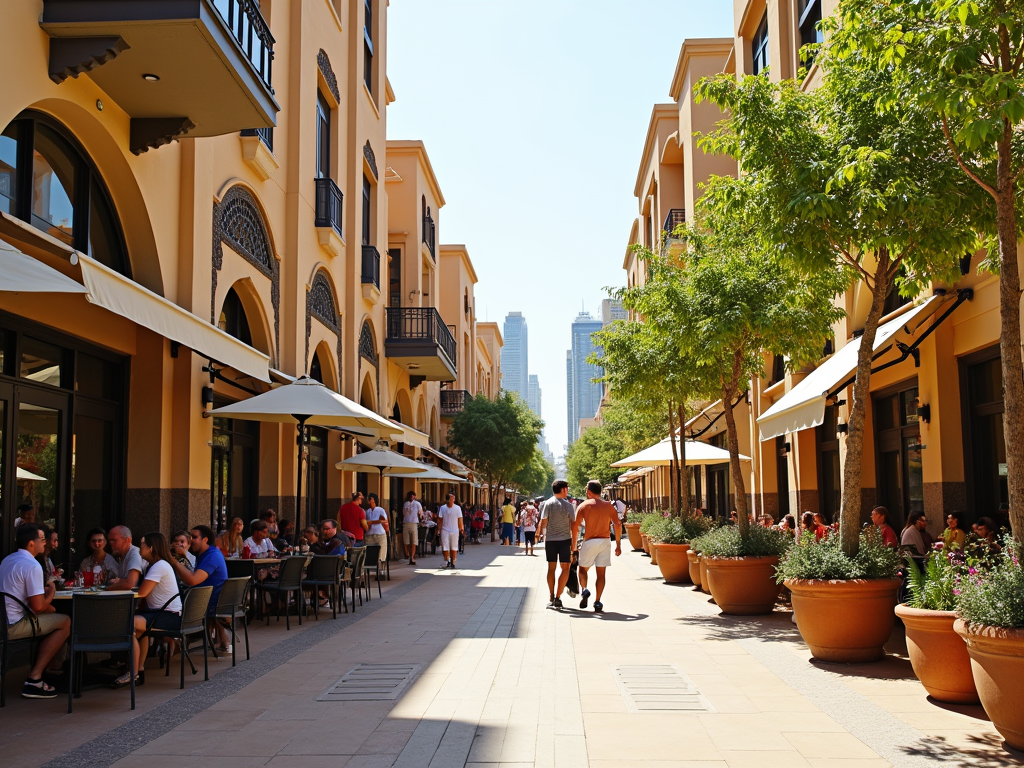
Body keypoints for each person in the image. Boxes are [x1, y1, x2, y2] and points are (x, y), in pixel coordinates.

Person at [0, 523, 70, 698]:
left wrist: (48, 605)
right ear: (31, 543)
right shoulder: (32, 565)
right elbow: (38, 607)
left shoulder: (7, 560)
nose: (45, 543)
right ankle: (35, 678)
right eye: (42, 539)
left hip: (3, 621)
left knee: (54, 615)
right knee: (66, 622)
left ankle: (48, 667)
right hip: (13, 625)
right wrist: (51, 592)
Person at [115, 532, 182, 688]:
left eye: (143, 544)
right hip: (163, 613)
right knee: (139, 630)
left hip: (168, 616)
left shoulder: (159, 566)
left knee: (128, 625)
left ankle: (133, 673)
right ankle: (138, 671)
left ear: (151, 548)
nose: (139, 548)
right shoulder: (159, 565)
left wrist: (117, 587)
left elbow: (142, 592)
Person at [168, 525, 229, 649]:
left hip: (209, 603)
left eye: (194, 537)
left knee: (167, 604)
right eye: (189, 537)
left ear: (205, 540)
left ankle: (174, 641)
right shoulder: (207, 553)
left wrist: (172, 561)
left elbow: (192, 580)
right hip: (210, 600)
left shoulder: (211, 556)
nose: (190, 540)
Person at [575, 480, 622, 613]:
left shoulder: (584, 506)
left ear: (589, 492)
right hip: (605, 541)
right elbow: (617, 524)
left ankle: (584, 590)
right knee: (601, 574)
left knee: (582, 570)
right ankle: (597, 601)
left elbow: (575, 526)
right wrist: (618, 544)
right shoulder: (608, 506)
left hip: (590, 541)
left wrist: (573, 546)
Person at [537, 479, 579, 610]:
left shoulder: (547, 504)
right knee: (565, 568)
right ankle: (558, 597)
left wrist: (540, 535)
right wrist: (574, 546)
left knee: (551, 568)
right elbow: (574, 527)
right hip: (565, 540)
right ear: (563, 489)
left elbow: (543, 522)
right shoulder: (568, 506)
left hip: (550, 541)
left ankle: (551, 595)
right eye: (567, 488)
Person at [107, 525, 144, 590]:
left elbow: (130, 583)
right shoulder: (120, 556)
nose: (111, 544)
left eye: (114, 541)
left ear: (127, 540)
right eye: (110, 541)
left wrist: (105, 589)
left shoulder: (135, 554)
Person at [437, 493, 464, 569]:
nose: (453, 500)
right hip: (445, 529)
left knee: (454, 547)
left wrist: (461, 528)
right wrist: (438, 529)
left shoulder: (457, 508)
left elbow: (460, 519)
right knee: (445, 546)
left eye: (454, 499)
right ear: (448, 500)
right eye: (452, 498)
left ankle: (453, 562)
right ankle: (447, 560)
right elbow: (440, 519)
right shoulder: (443, 508)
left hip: (455, 530)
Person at [364, 493, 389, 566]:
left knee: (381, 554)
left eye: (369, 498)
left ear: (373, 499)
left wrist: (372, 522)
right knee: (370, 553)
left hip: (379, 534)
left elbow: (384, 520)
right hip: (370, 534)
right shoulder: (368, 511)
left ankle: (381, 569)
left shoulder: (380, 510)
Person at [402, 491, 422, 564]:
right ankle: (407, 554)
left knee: (413, 541)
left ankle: (412, 557)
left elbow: (420, 513)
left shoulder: (417, 504)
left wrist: (420, 517)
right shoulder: (405, 504)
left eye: (413, 496)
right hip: (406, 523)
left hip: (414, 523)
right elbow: (404, 513)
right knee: (406, 541)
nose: (412, 497)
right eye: (411, 496)